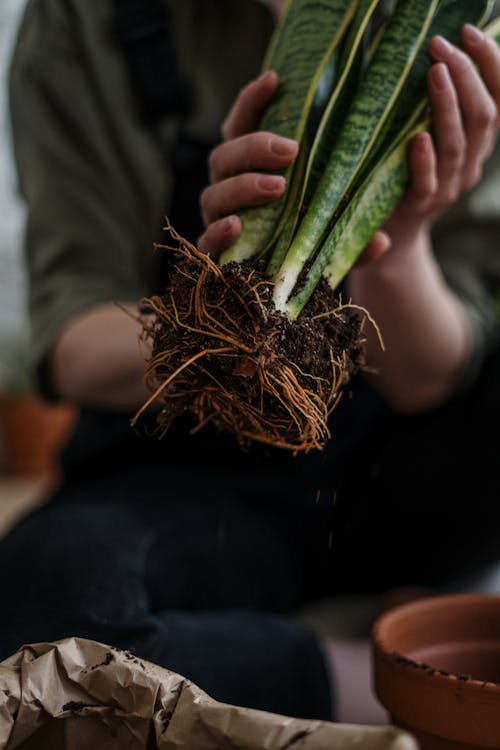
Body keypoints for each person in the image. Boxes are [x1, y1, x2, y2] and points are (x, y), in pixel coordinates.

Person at [1, 0, 499, 726]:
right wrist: (213, 320)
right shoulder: (86, 17)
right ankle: (382, 673)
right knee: (45, 624)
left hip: (400, 478)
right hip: (185, 470)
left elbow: (431, 380)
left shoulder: (460, 23)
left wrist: (400, 237)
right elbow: (71, 336)